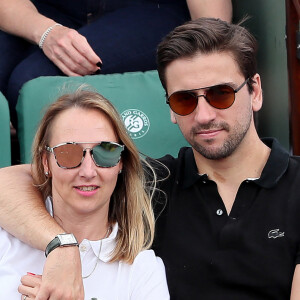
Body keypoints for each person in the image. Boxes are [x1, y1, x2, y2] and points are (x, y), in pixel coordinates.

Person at [2, 17, 299, 300]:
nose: (205, 115)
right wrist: (62, 247)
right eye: (184, 100)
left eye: (221, 94)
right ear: (170, 108)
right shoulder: (152, 184)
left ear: (255, 91)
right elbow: (11, 184)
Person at [0, 88, 169, 299]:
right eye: (68, 153)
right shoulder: (5, 240)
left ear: (121, 163)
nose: (88, 171)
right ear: (46, 162)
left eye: (106, 152)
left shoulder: (143, 270)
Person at [0, 0, 232, 127]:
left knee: (33, 82)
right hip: (48, 9)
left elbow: (212, 16)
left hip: (145, 9)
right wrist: (46, 32)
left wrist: (212, 51)